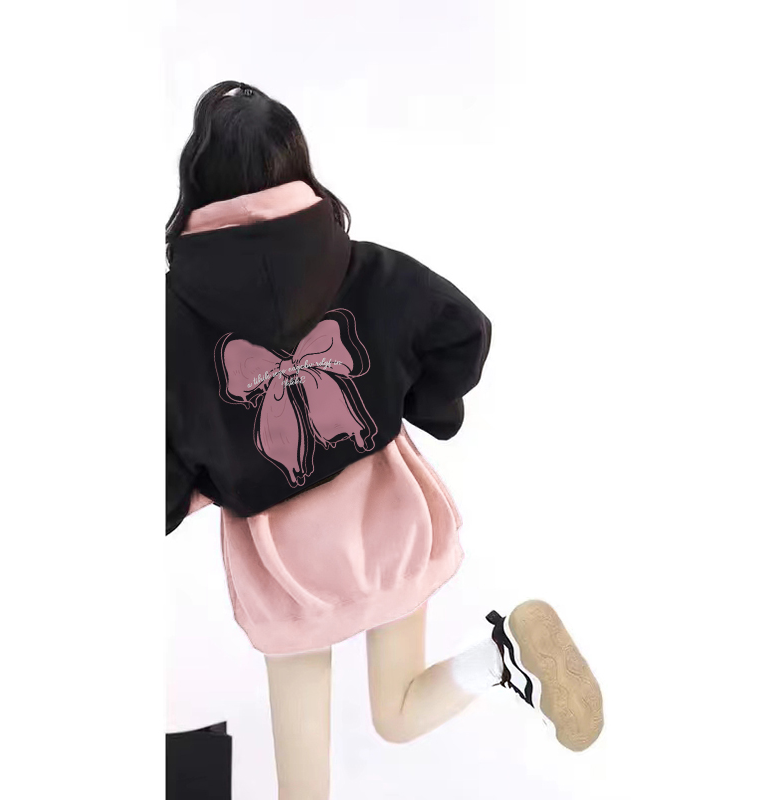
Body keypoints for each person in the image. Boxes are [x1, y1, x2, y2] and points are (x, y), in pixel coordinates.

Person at [166, 80, 603, 799]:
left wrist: (205, 482)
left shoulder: (173, 321)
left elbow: (162, 439)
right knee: (396, 713)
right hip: (389, 523)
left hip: (286, 570)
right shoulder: (366, 268)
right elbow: (463, 330)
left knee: (302, 783)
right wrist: (411, 404)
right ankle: (499, 656)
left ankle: (498, 661)